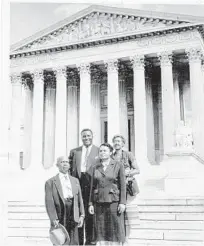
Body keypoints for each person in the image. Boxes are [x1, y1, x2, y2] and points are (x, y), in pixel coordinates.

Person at [89, 143, 126, 246]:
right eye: (100, 151)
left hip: (113, 201)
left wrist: (122, 202)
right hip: (99, 202)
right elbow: (92, 186)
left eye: (105, 151)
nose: (102, 153)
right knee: (100, 228)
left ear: (110, 152)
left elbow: (123, 185)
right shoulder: (95, 167)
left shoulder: (118, 165)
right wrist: (90, 203)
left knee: (115, 227)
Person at [45, 156, 85, 245]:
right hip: (60, 213)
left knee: (74, 239)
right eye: (62, 162)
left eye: (67, 162)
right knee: (61, 239)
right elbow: (49, 202)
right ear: (57, 165)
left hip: (73, 211)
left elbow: (80, 199)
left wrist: (82, 215)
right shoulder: (50, 182)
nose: (65, 164)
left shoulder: (75, 180)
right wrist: (53, 218)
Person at [69, 128, 99, 245]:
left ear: (92, 136)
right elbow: (70, 171)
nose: (86, 138)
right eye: (84, 136)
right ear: (81, 137)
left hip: (92, 186)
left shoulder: (98, 150)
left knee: (91, 215)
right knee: (78, 215)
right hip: (78, 184)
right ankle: (79, 242)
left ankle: (90, 243)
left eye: (88, 136)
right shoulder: (74, 151)